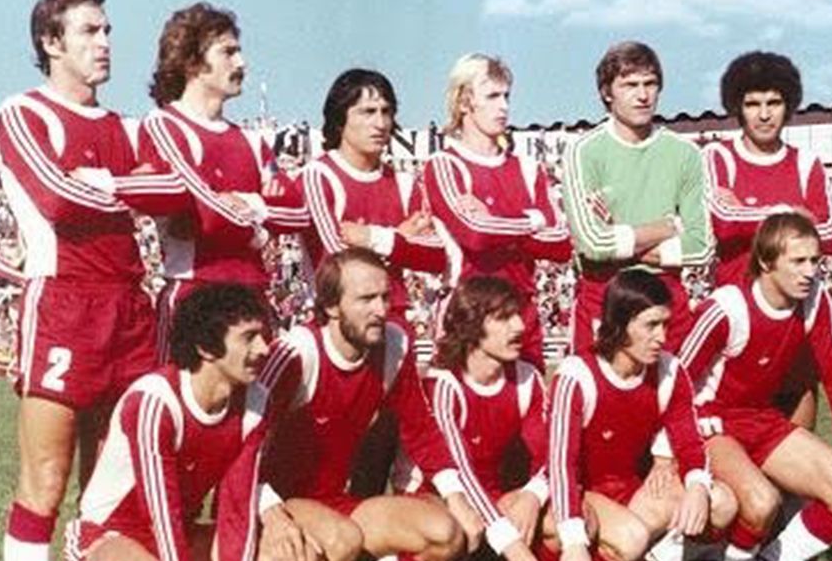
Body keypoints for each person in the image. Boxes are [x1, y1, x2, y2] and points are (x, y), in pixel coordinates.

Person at [0, 0, 156, 561]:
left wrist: (109, 186)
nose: (106, 43)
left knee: (111, 487)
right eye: (90, 32)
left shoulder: (122, 127)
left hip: (129, 307)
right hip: (63, 304)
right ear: (51, 43)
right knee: (46, 479)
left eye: (108, 30)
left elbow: (166, 191)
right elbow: (58, 197)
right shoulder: (24, 113)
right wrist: (128, 189)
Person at [64, 285, 317, 561]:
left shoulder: (254, 401)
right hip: (109, 535)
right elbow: (160, 515)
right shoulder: (154, 401)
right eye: (249, 337)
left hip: (179, 535)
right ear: (206, 347)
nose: (263, 348)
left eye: (263, 335)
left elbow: (237, 509)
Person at [255, 248, 471, 561]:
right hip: (276, 506)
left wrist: (456, 497)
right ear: (331, 306)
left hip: (338, 503)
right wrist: (269, 512)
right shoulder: (295, 352)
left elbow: (421, 430)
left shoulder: (394, 343)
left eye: (385, 296)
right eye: (366, 299)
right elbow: (242, 443)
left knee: (448, 535)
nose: (381, 308)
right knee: (341, 541)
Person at [679, 212, 832, 561]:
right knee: (761, 501)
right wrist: (670, 454)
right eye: (798, 262)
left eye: (815, 261)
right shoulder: (727, 306)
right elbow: (675, 379)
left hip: (762, 421)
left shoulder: (815, 298)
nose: (810, 272)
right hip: (714, 423)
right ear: (767, 262)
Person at [108, 3, 308, 360]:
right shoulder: (164, 124)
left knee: (256, 412)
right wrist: (261, 221)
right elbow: (208, 210)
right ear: (192, 61)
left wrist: (251, 207)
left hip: (253, 294)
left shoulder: (251, 140)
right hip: (195, 294)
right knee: (186, 408)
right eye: (228, 52)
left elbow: (299, 213)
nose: (241, 63)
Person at [540, 269, 737, 561]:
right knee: (629, 539)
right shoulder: (576, 375)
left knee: (719, 502)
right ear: (620, 323)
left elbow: (690, 442)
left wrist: (696, 486)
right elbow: (560, 465)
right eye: (651, 325)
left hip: (632, 493)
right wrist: (573, 540)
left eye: (665, 324)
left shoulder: (669, 370)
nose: (662, 336)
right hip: (578, 497)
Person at [404, 276, 553, 561]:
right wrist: (515, 551)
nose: (519, 326)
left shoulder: (528, 378)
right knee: (452, 527)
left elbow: (553, 455)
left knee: (557, 517)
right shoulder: (443, 383)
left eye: (518, 315)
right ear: (470, 324)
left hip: (493, 496)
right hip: (438, 497)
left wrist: (532, 494)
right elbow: (460, 476)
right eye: (503, 318)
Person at [560, 41, 713, 357]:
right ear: (607, 92)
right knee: (601, 403)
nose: (643, 95)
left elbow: (702, 247)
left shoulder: (685, 153)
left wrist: (623, 241)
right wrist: (666, 227)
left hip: (666, 301)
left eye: (650, 84)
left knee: (673, 403)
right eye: (630, 85)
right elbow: (592, 245)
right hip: (605, 297)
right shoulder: (583, 151)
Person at [422, 53, 571, 370]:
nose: (504, 106)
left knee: (527, 412)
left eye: (506, 96)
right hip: (468, 312)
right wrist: (533, 220)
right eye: (492, 96)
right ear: (464, 102)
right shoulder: (445, 165)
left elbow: (560, 243)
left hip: (523, 315)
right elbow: (475, 234)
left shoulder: (529, 169)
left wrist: (497, 219)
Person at [301, 69, 446, 331]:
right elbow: (339, 263)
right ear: (339, 120)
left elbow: (436, 255)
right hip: (337, 324)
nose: (380, 123)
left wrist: (376, 238)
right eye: (367, 112)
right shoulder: (318, 175)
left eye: (386, 111)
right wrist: (401, 240)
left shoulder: (404, 183)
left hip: (396, 322)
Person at [704, 51, 832, 289]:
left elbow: (831, 237)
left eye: (774, 103)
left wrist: (745, 213)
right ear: (738, 108)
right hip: (737, 305)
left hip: (795, 313)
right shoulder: (719, 156)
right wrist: (794, 215)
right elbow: (724, 223)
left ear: (788, 107)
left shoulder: (806, 163)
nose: (764, 115)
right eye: (753, 104)